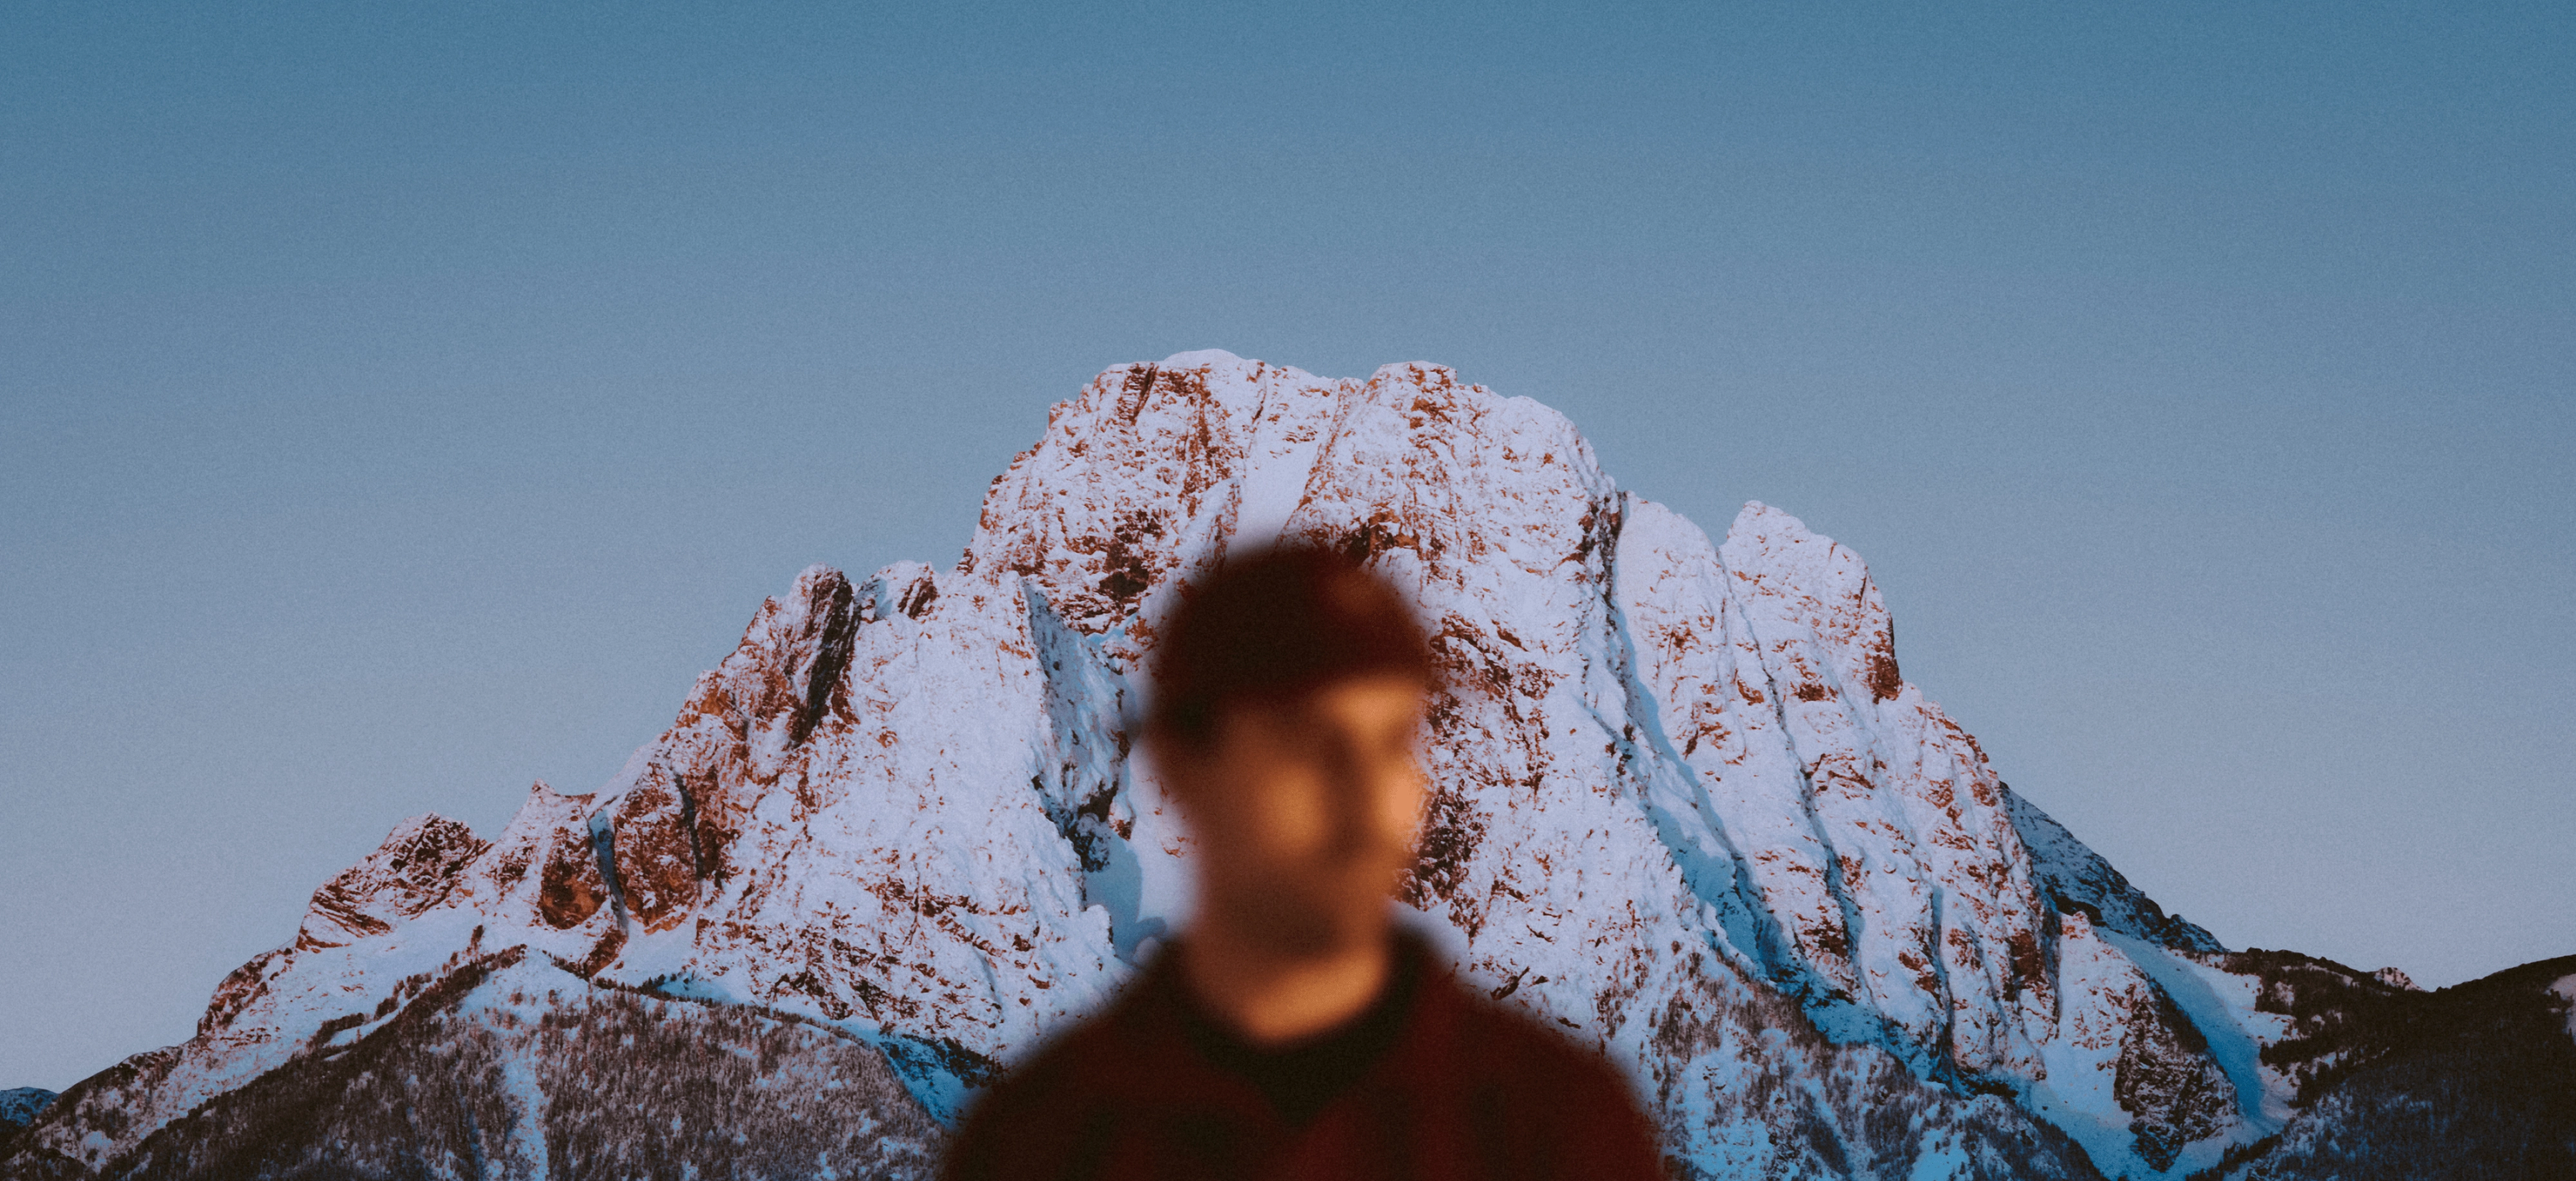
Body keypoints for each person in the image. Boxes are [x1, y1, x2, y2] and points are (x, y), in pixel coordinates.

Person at [942, 544, 1667, 1180]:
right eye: (1307, 739)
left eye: (1392, 740)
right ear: (1189, 768)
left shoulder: (1556, 1123)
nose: (1359, 791)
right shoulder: (1045, 1142)